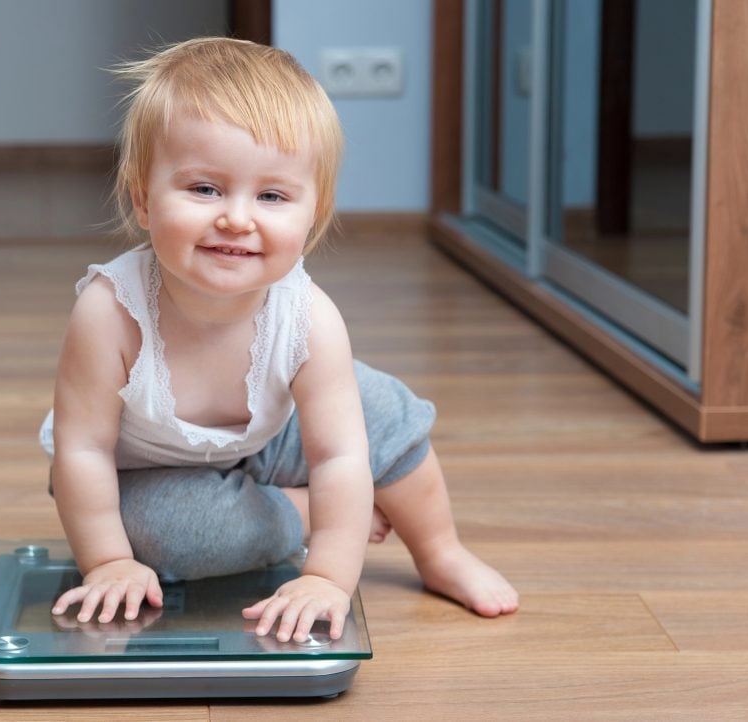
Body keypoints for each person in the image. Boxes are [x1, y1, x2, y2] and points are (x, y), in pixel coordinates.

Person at [41, 37, 518, 645]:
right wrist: (108, 561)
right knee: (167, 534)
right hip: (148, 470)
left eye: (271, 196)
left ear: (311, 218)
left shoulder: (310, 318)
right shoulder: (109, 312)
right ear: (142, 196)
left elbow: (341, 456)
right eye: (204, 189)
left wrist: (327, 577)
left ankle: (441, 550)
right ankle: (301, 510)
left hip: (267, 437)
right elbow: (81, 451)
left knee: (379, 409)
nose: (237, 218)